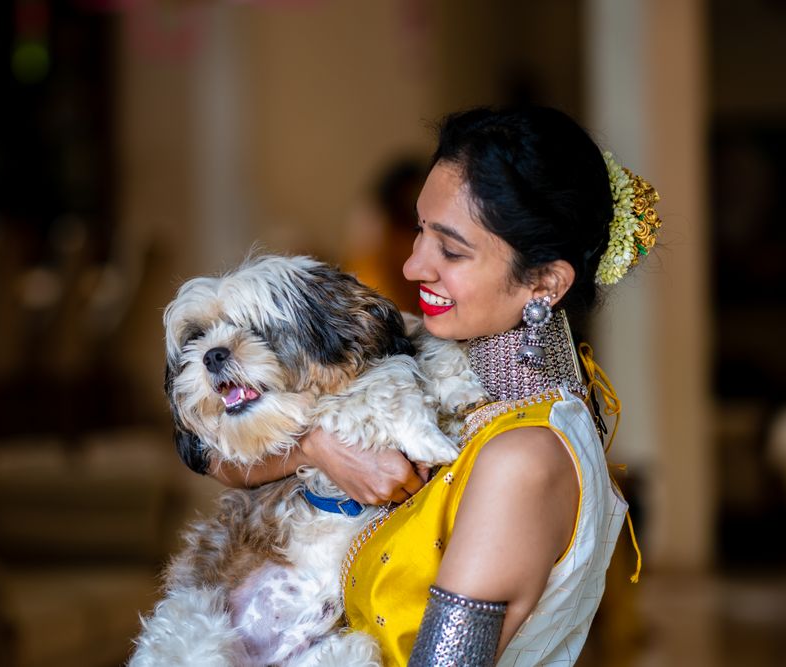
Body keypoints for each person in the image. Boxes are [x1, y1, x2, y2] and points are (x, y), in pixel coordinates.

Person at [209, 106, 659, 666]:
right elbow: (216, 451)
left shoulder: (524, 457)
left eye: (451, 250)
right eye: (421, 229)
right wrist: (319, 449)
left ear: (545, 282)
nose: (413, 266)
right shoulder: (428, 352)